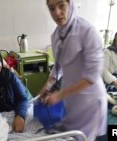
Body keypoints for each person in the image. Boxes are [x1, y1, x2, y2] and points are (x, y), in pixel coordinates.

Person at [39, 0, 107, 141]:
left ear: (71, 4)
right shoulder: (56, 36)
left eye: (61, 5)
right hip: (71, 101)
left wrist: (60, 95)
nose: (57, 13)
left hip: (90, 101)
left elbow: (92, 76)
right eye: (52, 8)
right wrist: (48, 84)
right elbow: (59, 67)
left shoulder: (87, 31)